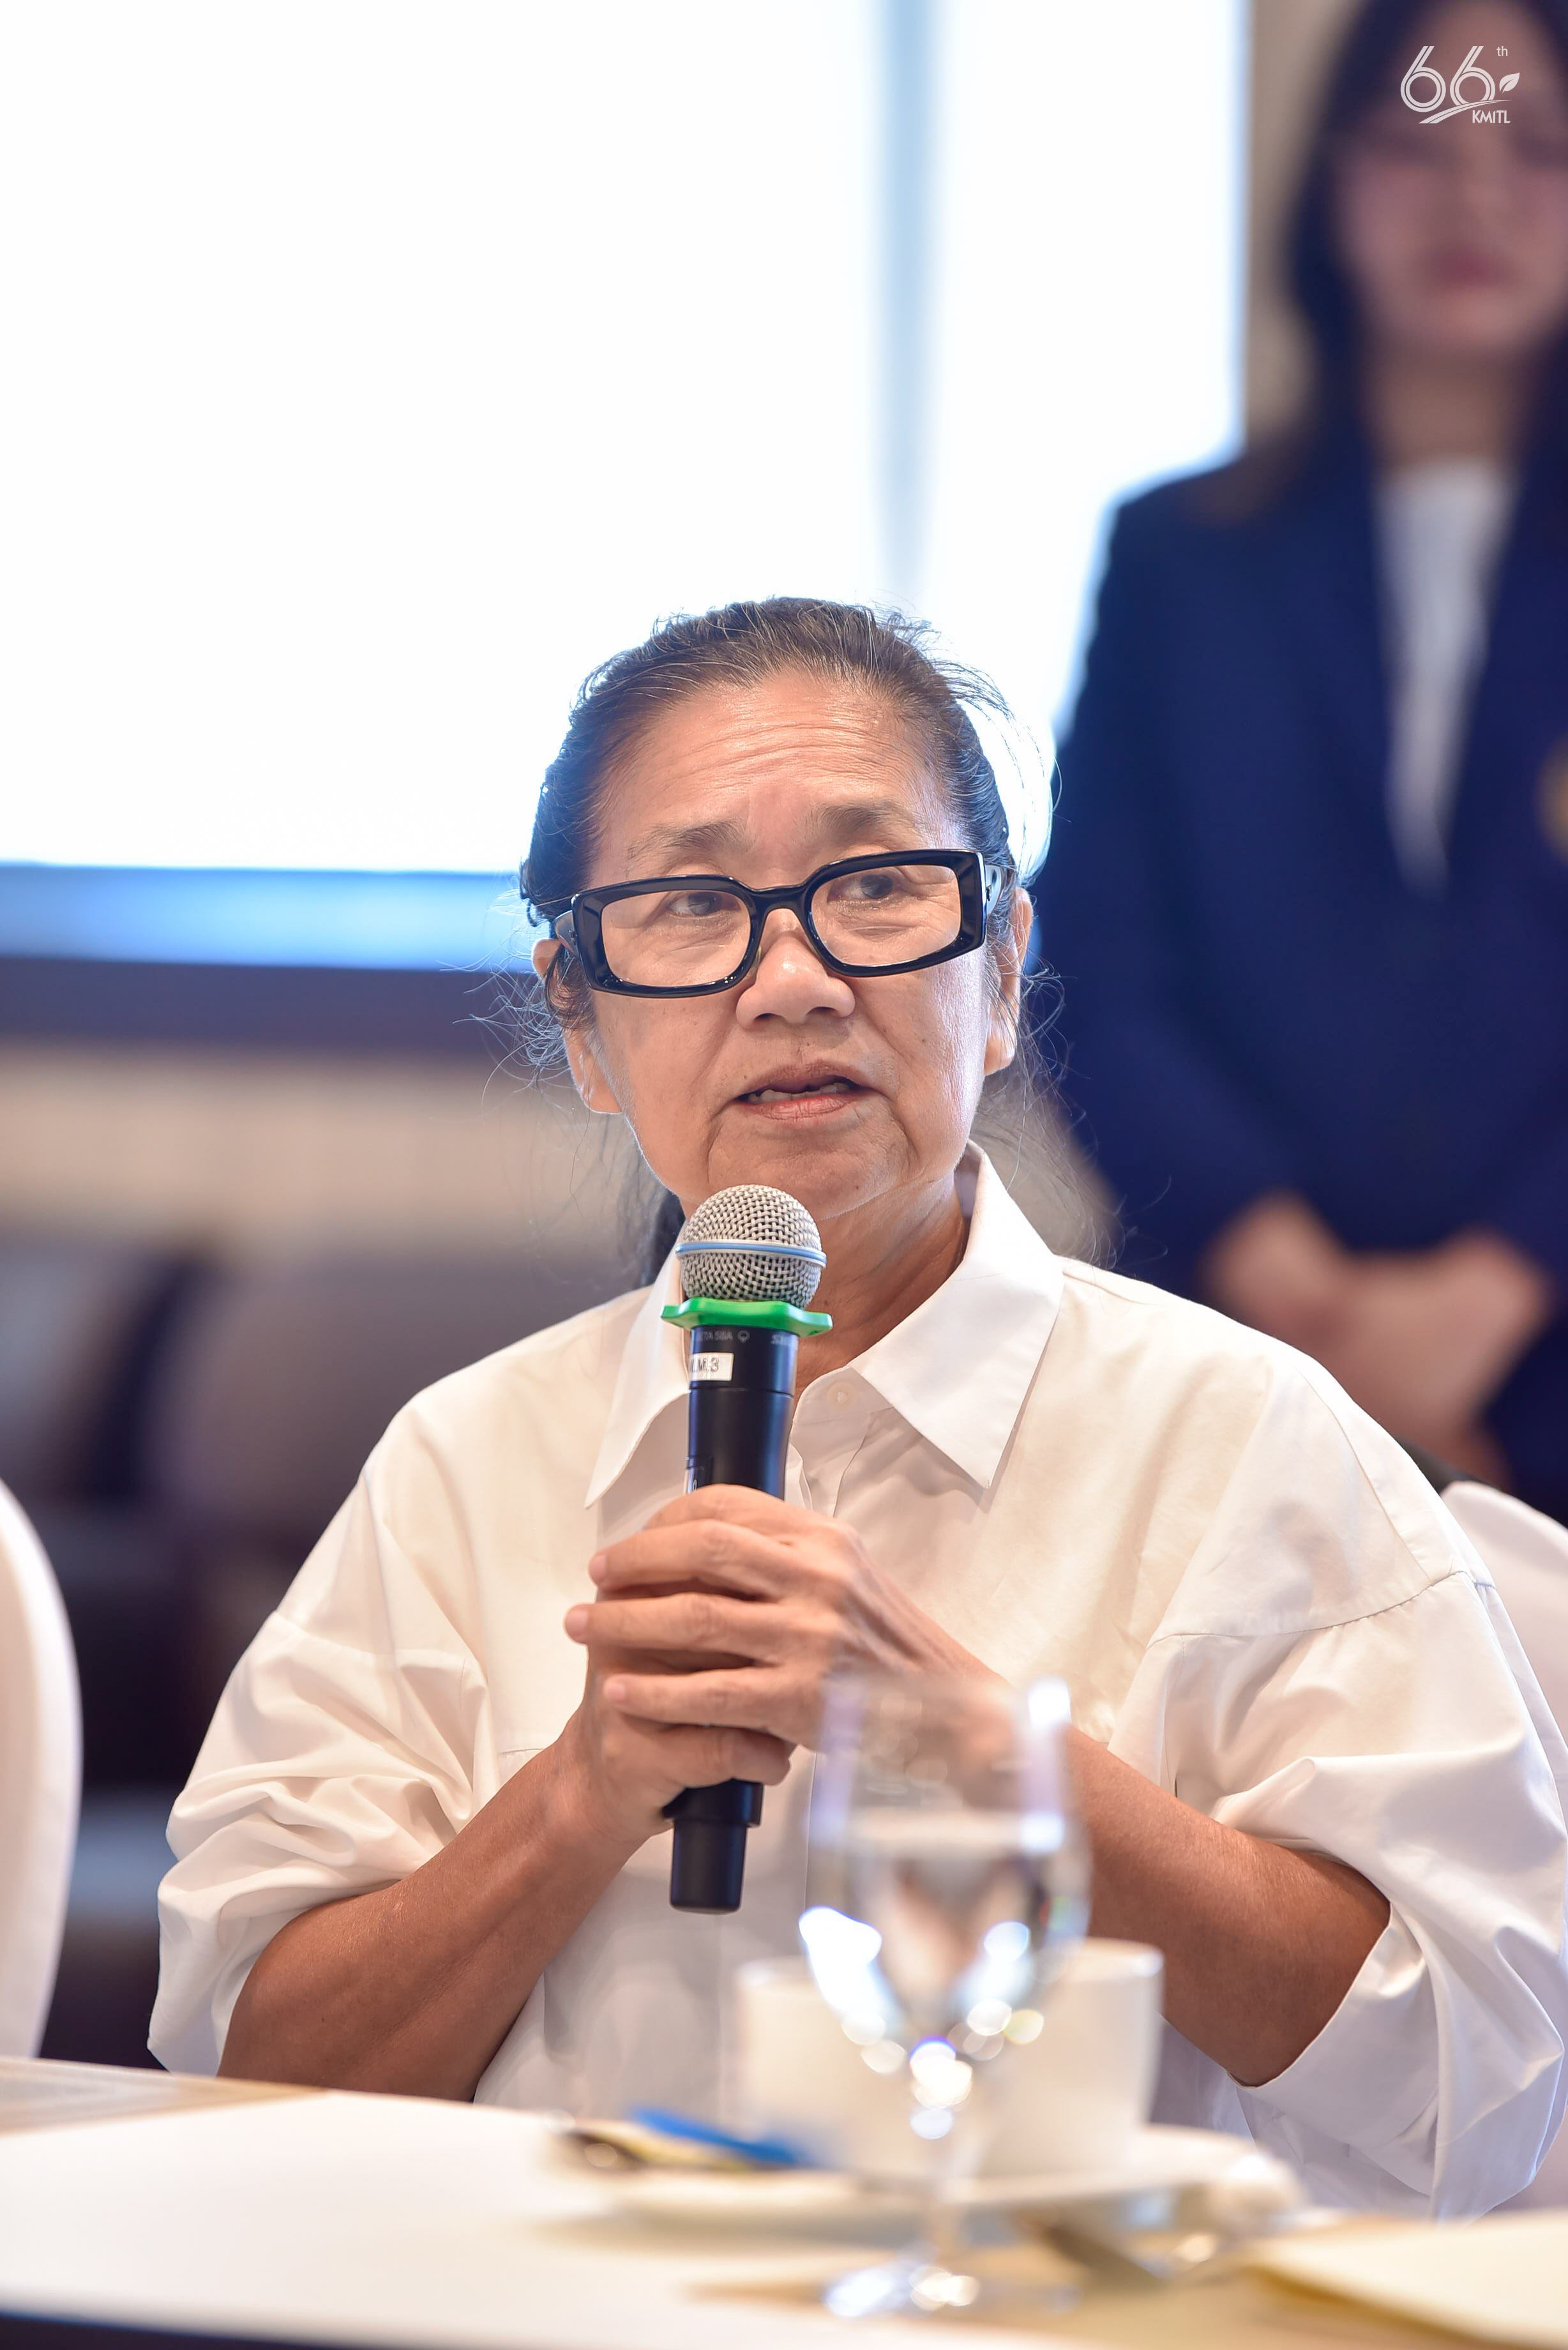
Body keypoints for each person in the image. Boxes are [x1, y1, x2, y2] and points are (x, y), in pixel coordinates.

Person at [153, 598, 1567, 2216]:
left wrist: (965, 1740)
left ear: (1004, 970)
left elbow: (1477, 2087)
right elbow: (240, 2083)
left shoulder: (1247, 1437)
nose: (793, 978)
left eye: (876, 885)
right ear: (582, 1023)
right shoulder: (463, 1461)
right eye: (692, 905)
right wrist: (573, 1795)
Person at [1036, 0, 1568, 1518]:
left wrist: (1498, 1284)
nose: (1472, 199)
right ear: (1329, 180)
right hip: (1231, 1344)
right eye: (1417, 141)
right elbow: (1100, 962)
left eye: (1534, 147)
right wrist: (1284, 1278)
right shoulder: (1180, 559)